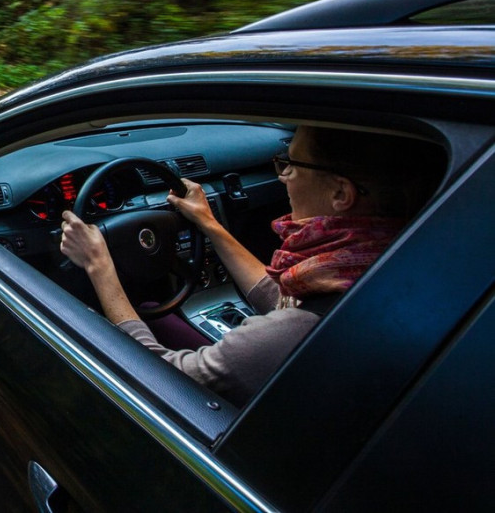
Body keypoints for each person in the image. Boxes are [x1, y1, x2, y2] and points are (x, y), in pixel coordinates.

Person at [59, 125, 444, 405]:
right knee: (153, 314)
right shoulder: (394, 260)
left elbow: (165, 378)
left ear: (340, 193)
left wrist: (100, 268)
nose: (283, 177)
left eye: (290, 164)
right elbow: (287, 298)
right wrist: (208, 224)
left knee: (144, 315)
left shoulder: (290, 335)